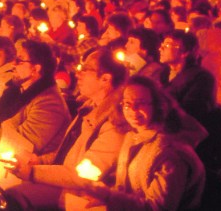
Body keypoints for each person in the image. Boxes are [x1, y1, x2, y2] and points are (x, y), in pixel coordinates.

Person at [6, 47, 129, 210]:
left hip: (77, 194)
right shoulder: (89, 108)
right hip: (62, 181)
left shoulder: (115, 123)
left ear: (105, 79)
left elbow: (82, 176)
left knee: (14, 196)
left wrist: (32, 172)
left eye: (86, 69)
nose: (78, 74)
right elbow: (66, 155)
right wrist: (39, 160)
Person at [62, 76, 206, 210]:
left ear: (157, 105)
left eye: (141, 103)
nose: (132, 110)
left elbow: (158, 207)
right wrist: (106, 198)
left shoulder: (171, 152)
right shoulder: (133, 137)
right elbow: (125, 189)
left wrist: (109, 196)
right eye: (127, 104)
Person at [0, 40, 71, 171]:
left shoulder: (49, 104)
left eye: (19, 61)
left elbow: (20, 143)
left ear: (35, 68)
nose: (13, 64)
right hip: (1, 152)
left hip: (27, 167)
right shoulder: (14, 89)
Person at [160, 30, 215, 127]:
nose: (161, 48)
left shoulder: (201, 78)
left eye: (167, 45)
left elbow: (190, 113)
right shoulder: (163, 73)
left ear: (184, 52)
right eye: (163, 44)